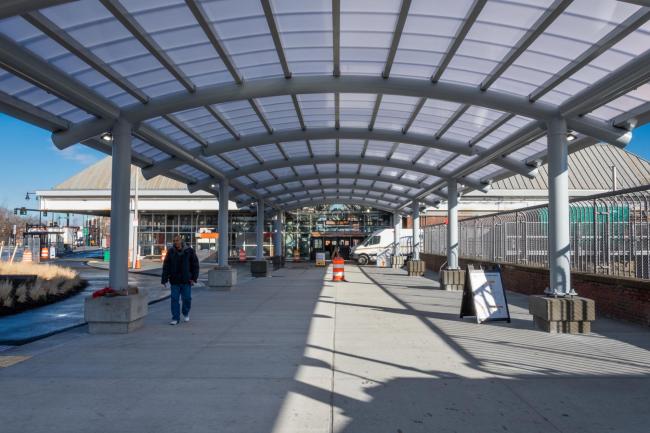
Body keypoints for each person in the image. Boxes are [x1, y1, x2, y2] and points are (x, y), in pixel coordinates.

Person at [161, 235, 199, 325]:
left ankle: (185, 312)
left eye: (177, 240)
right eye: (174, 240)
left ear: (181, 241)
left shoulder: (189, 251)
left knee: (187, 299)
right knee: (174, 299)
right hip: (174, 281)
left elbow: (195, 265)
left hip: (186, 280)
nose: (175, 242)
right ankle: (175, 318)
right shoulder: (171, 252)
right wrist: (164, 279)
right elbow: (166, 266)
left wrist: (194, 278)